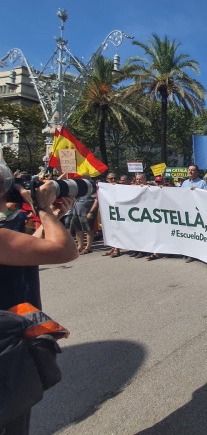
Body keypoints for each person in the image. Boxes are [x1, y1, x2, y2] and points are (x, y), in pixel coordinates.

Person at [0, 166, 78, 435]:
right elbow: (65, 251)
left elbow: (27, 251)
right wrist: (43, 209)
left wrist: (53, 219)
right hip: (7, 347)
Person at [70, 175, 99, 255]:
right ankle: (80, 246)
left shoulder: (93, 187)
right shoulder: (79, 188)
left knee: (88, 230)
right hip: (76, 211)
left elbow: (96, 201)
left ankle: (88, 247)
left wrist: (91, 212)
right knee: (78, 229)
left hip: (86, 212)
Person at [102, 173, 121, 258]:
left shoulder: (122, 187)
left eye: (115, 178)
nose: (113, 180)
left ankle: (117, 249)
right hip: (109, 212)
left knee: (118, 230)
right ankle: (113, 247)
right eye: (111, 178)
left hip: (120, 213)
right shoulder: (104, 189)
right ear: (107, 179)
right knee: (111, 230)